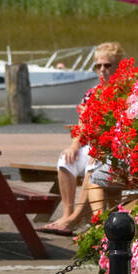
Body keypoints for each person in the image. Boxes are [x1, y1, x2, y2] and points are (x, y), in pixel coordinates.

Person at [41, 42, 124, 236]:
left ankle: (76, 216)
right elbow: (82, 124)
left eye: (107, 65)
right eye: (98, 66)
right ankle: (67, 213)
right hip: (93, 145)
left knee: (92, 164)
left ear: (118, 66)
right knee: (65, 160)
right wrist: (73, 145)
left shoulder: (124, 92)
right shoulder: (92, 94)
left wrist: (102, 146)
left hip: (110, 149)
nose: (102, 70)